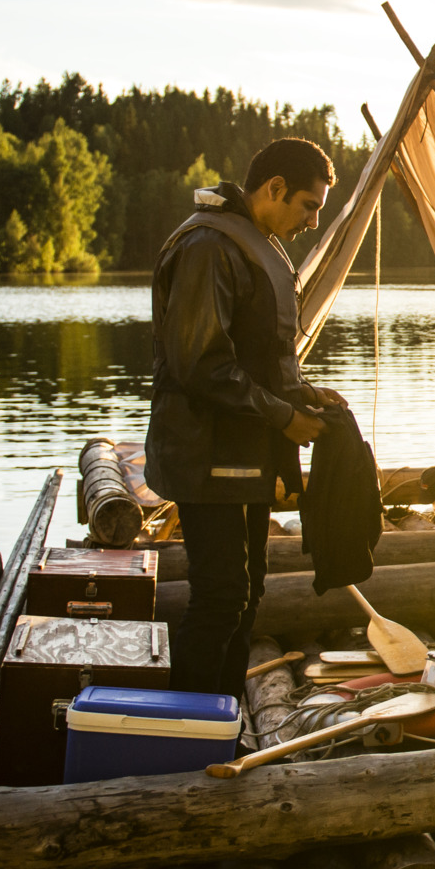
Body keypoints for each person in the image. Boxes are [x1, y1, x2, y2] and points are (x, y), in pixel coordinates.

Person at [145, 137, 349, 697]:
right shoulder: (209, 246)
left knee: (249, 591)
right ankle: (187, 731)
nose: (311, 222)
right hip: (206, 455)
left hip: (245, 451)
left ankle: (225, 718)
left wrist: (303, 393)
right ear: (274, 188)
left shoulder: (258, 241)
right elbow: (202, 364)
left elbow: (258, 354)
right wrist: (283, 418)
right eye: (308, 206)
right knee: (220, 595)